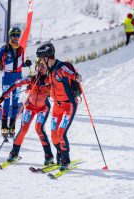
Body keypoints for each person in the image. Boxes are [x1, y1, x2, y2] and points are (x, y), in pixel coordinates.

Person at [0, 62, 54, 165]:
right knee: (23, 128)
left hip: (43, 108)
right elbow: (15, 85)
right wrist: (2, 97)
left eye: (43, 66)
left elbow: (61, 89)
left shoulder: (50, 80)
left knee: (39, 128)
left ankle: (49, 156)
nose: (40, 68)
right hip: (30, 106)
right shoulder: (31, 79)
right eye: (38, 66)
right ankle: (14, 153)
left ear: (47, 69)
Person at [36, 42, 82, 171]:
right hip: (57, 106)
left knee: (61, 133)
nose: (40, 61)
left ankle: (65, 161)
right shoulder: (49, 71)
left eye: (41, 58)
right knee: (54, 135)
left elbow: (70, 73)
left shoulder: (61, 68)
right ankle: (60, 154)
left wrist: (76, 76)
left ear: (46, 57)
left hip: (69, 105)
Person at [0, 27, 32, 138]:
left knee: (15, 102)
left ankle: (12, 127)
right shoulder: (4, 49)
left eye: (18, 35)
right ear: (10, 36)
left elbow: (21, 63)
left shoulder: (21, 50)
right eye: (14, 35)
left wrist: (27, 63)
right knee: (6, 101)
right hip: (7, 77)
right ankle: (4, 126)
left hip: (18, 78)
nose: (16, 37)